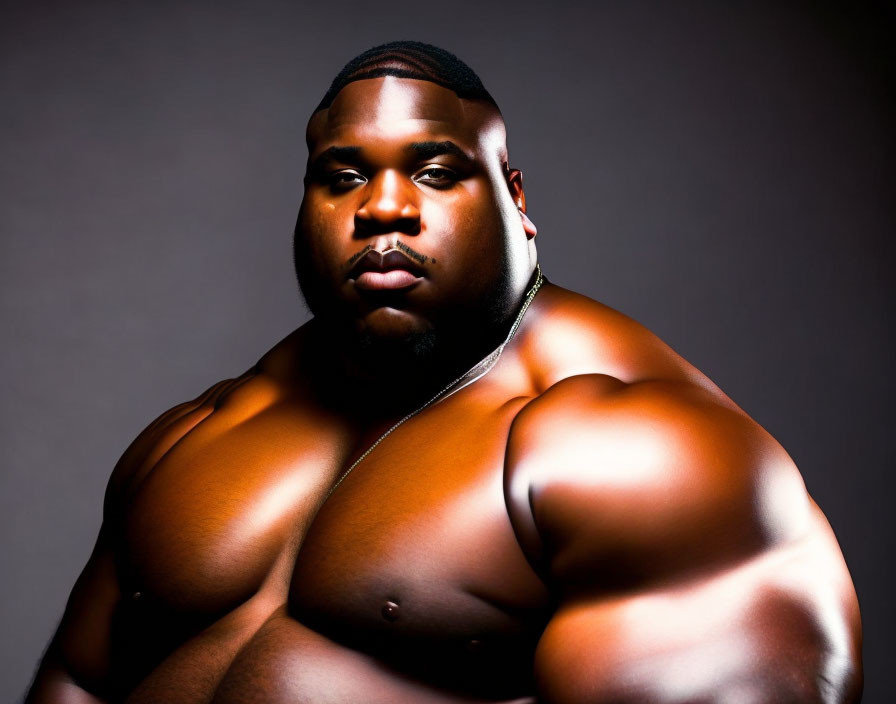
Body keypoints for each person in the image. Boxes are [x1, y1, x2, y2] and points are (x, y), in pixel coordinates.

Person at [26, 41, 862, 704]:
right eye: (343, 176)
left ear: (515, 197)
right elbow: (82, 682)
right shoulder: (194, 437)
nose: (383, 207)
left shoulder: (644, 454)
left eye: (434, 171)